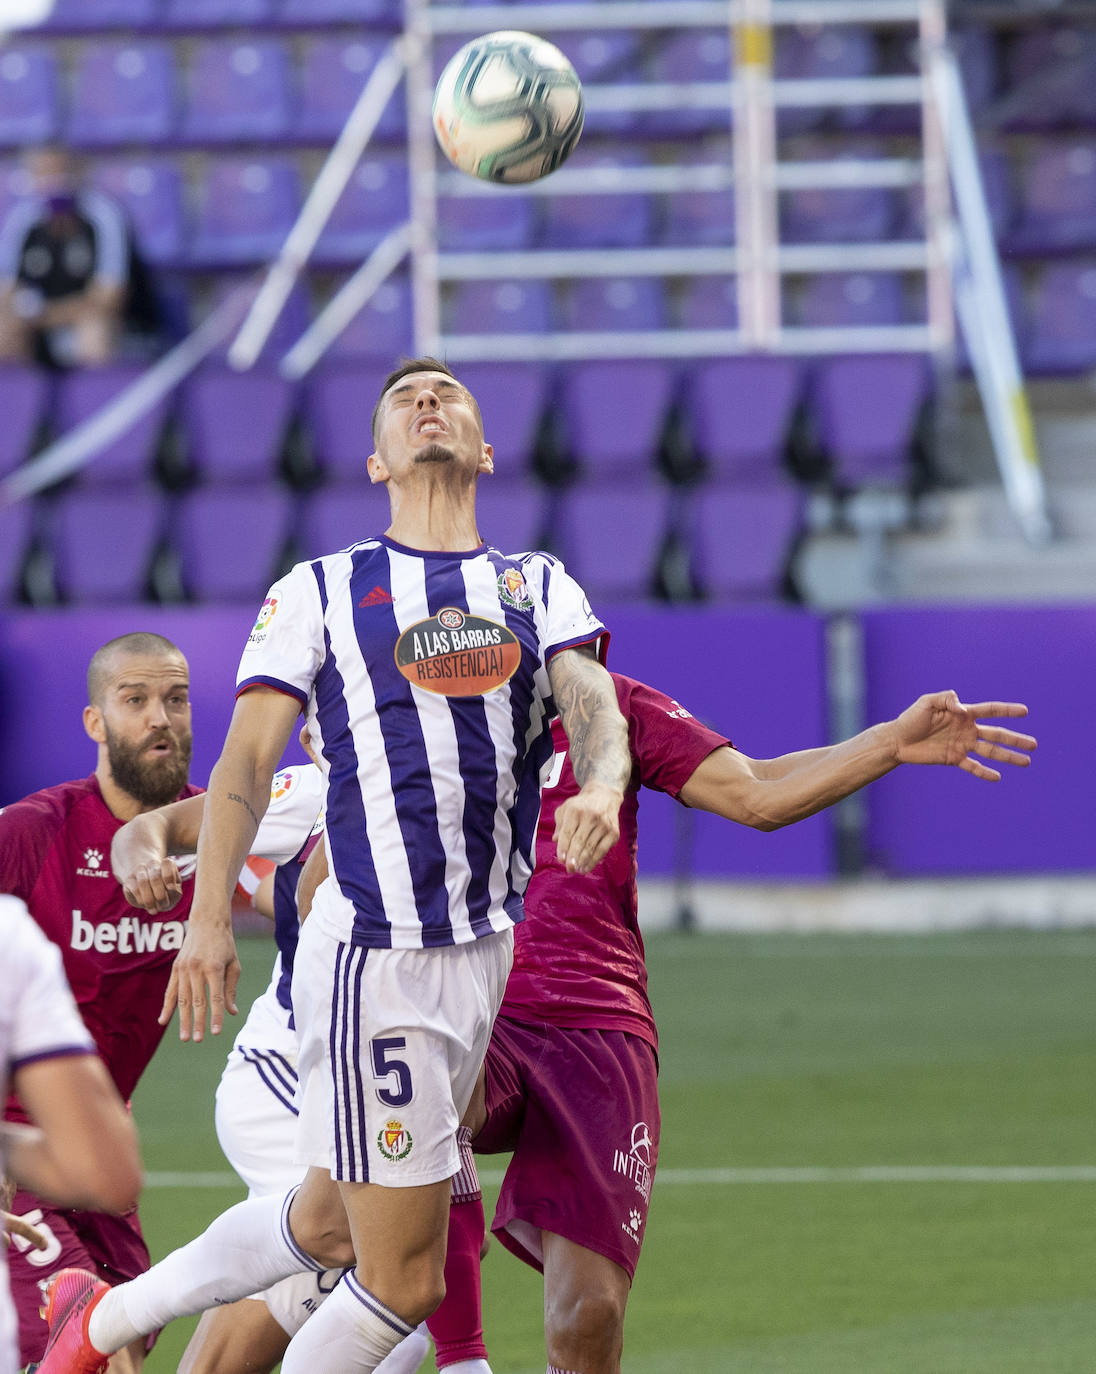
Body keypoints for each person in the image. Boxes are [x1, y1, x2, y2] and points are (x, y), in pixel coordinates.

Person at [35, 357, 632, 1374]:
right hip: (379, 962)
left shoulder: (537, 584)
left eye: (448, 394)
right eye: (404, 400)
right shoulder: (319, 590)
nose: (427, 402)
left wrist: (603, 786)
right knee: (405, 1286)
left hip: (482, 956)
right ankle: (99, 1326)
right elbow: (245, 765)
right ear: (375, 460)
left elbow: (593, 705)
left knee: (319, 1223)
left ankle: (95, 1323)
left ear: (485, 449)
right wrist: (209, 923)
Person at [0, 631, 201, 1373]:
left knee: (122, 1345)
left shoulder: (212, 832)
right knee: (93, 1351)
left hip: (98, 1152)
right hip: (19, 1149)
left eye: (175, 700)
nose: (160, 718)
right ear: (94, 722)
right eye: (136, 699)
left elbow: (293, 898)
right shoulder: (34, 832)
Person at [0, 894, 144, 1374]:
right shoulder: (10, 934)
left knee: (121, 1342)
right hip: (43, 1146)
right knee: (107, 1342)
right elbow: (107, 1172)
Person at [0, 146, 159, 369]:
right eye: (44, 173)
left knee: (93, 330)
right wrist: (22, 315)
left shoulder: (104, 216)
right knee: (4, 330)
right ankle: (16, 403)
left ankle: (93, 401)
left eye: (59, 171)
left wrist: (43, 316)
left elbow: (107, 302)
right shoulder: (24, 218)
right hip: (42, 325)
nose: (53, 182)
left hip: (124, 329)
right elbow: (5, 293)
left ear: (77, 173)